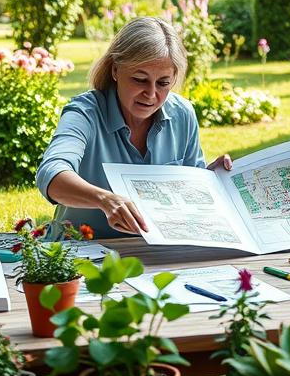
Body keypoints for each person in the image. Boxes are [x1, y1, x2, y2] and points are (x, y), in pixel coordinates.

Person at [36, 16, 231, 238]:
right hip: (80, 254)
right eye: (139, 79)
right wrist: (105, 200)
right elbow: (51, 175)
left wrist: (211, 181)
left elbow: (187, 195)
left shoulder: (182, 114)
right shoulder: (84, 113)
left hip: (157, 254)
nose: (151, 94)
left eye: (163, 83)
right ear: (115, 70)